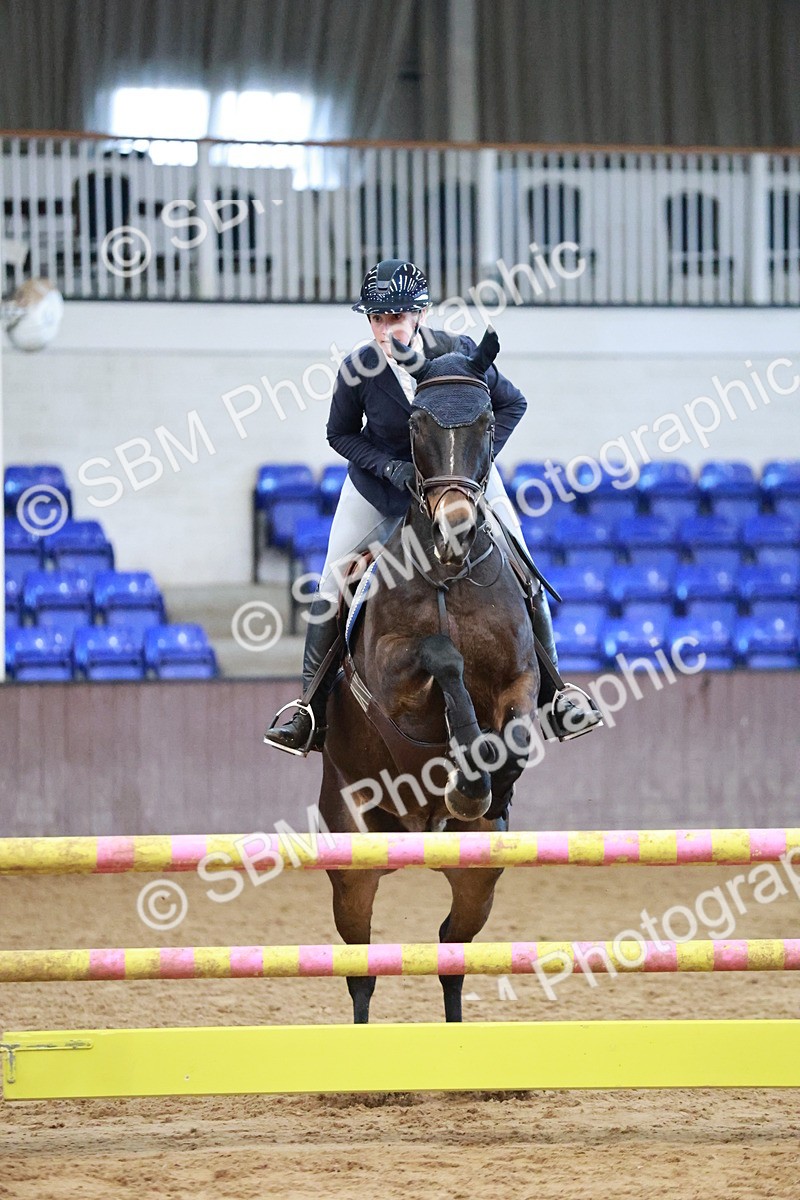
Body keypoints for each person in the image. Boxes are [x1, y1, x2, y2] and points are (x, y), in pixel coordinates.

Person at [264, 259, 601, 755]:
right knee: (333, 579)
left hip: (460, 484)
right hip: (381, 489)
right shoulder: (359, 370)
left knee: (526, 568)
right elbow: (339, 434)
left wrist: (473, 468)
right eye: (378, 318)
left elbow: (513, 404)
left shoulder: (461, 354)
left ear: (419, 314)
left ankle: (557, 695)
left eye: (398, 315)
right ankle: (308, 708)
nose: (387, 328)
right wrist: (389, 468)